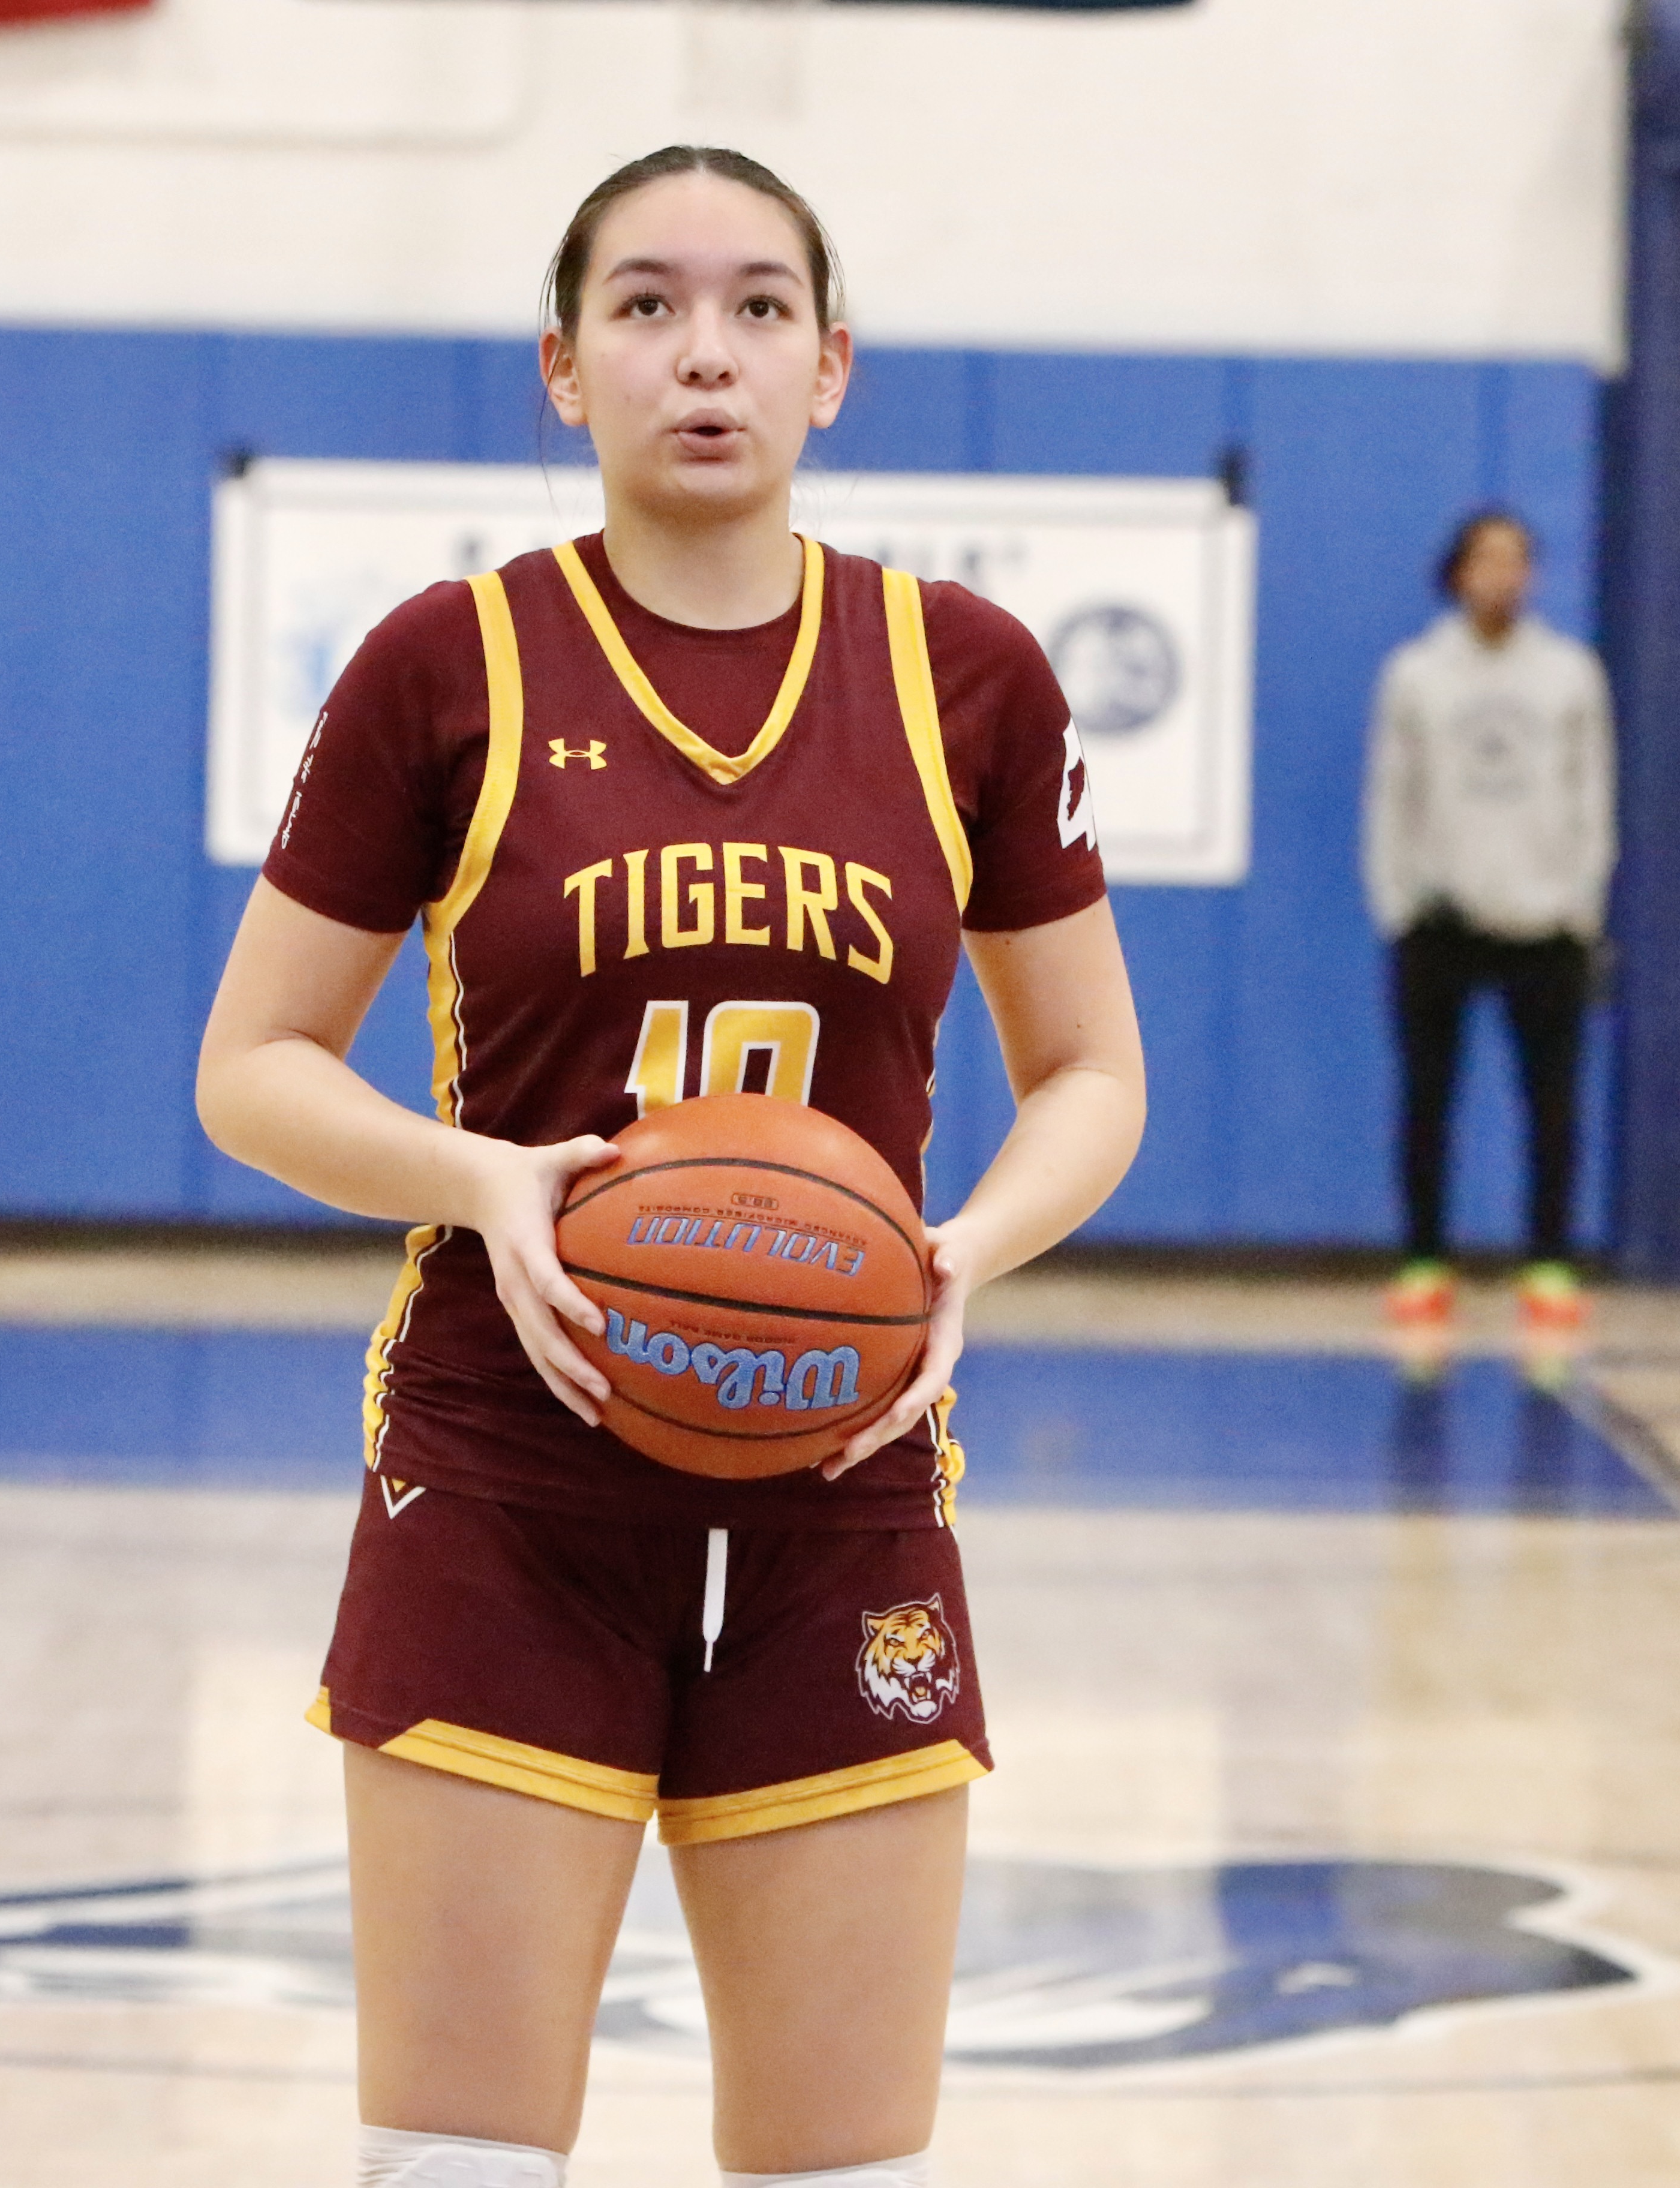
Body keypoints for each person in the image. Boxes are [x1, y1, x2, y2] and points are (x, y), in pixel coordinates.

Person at [195, 147, 1145, 2188]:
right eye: (642, 306)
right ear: (562, 369)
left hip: (846, 1468)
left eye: (754, 307)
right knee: (455, 2169)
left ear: (830, 367)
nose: (699, 351)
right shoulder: (443, 666)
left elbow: (1086, 1070)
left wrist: (962, 1245)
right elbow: (252, 1065)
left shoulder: (962, 673)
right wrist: (483, 1179)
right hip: (508, 1472)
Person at [1360, 508, 1616, 1332]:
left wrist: (1580, 903)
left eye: (1518, 560)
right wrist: (1398, 902)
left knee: (1553, 1100)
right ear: (1458, 572)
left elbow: (1593, 797)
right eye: (1488, 559)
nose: (1504, 575)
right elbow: (1391, 795)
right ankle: (1425, 1261)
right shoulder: (1417, 674)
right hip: (1441, 918)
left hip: (1544, 923)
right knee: (1429, 1096)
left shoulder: (1572, 674)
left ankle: (1548, 1264)